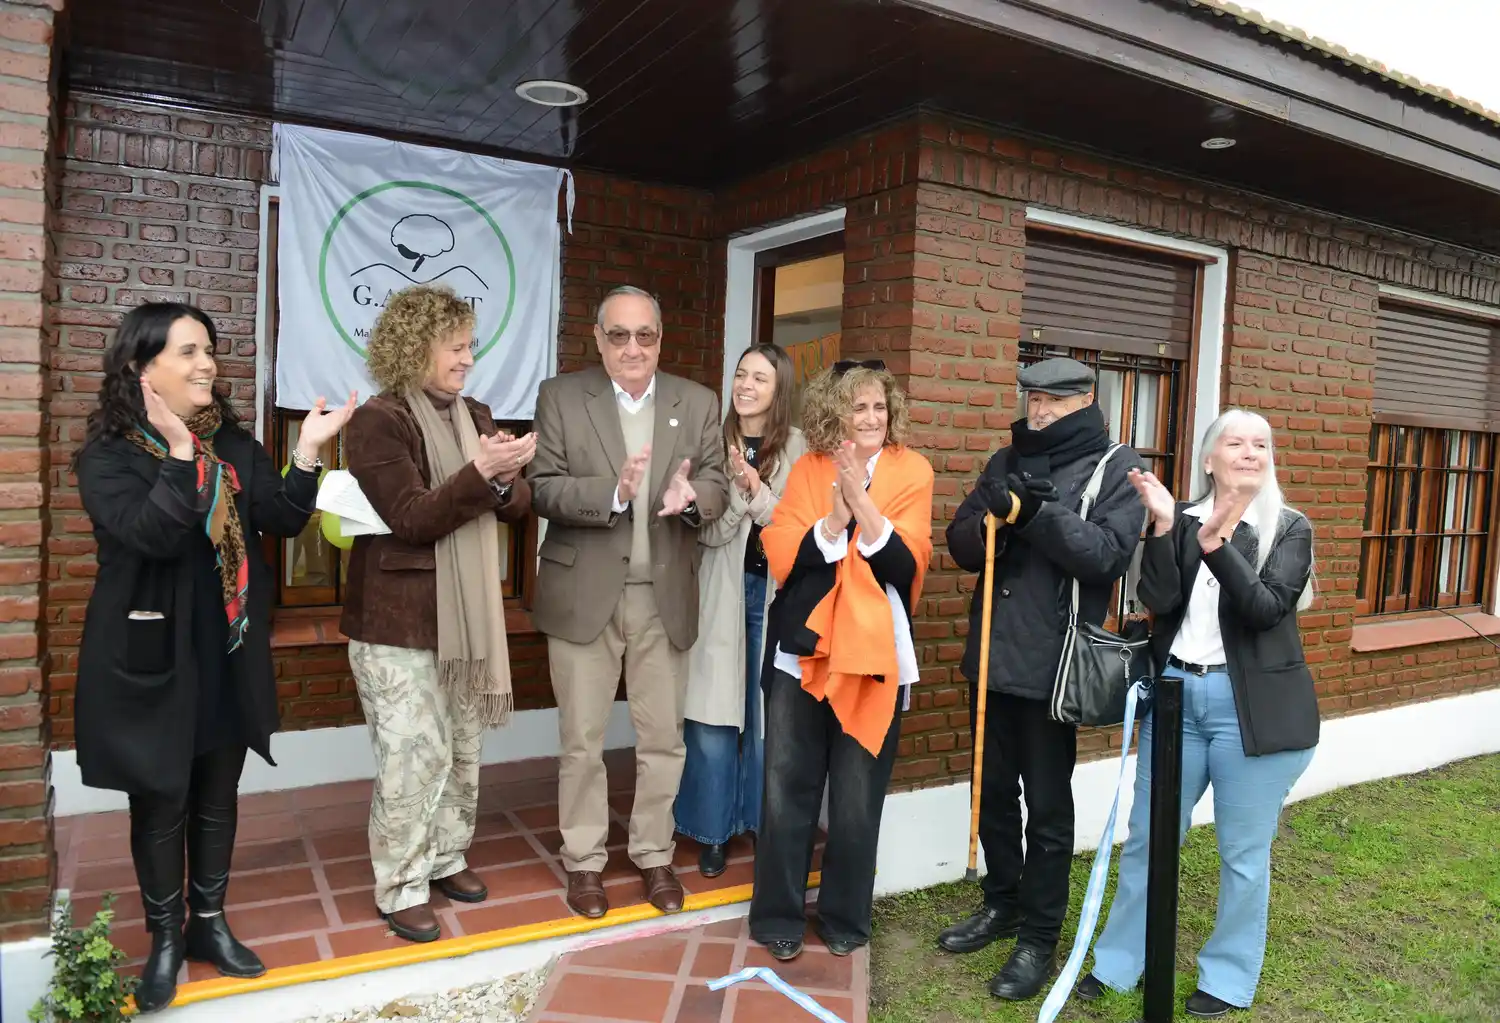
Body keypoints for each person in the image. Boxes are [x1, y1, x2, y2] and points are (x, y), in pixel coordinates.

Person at [74, 303, 354, 1012]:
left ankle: (209, 924)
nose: (208, 364)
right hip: (153, 651)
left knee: (216, 794)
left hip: (225, 648)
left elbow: (283, 518)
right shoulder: (109, 455)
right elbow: (150, 535)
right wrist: (176, 453)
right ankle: (165, 938)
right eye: (190, 351)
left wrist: (308, 453)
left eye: (211, 350)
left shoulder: (230, 441)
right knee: (162, 796)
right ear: (143, 368)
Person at [1077, 409, 1319, 1019]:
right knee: (1148, 841)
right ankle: (1119, 962)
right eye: (1234, 442)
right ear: (1209, 458)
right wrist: (1164, 527)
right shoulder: (1181, 519)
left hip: (1251, 714)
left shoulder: (1288, 528)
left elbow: (1265, 609)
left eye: (1260, 444)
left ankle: (1229, 976)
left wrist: (1216, 543)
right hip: (1177, 697)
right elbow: (1158, 600)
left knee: (1242, 852)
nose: (1248, 453)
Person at [938, 357, 1144, 1000]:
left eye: (1054, 400)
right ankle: (1001, 902)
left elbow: (1105, 557)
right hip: (993, 661)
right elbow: (962, 544)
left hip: (1055, 668)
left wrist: (1033, 517)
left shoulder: (1117, 466)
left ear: (1086, 399)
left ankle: (1038, 936)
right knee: (993, 795)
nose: (1039, 410)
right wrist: (990, 518)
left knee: (1047, 811)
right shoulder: (1006, 458)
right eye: (1032, 398)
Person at [341, 284, 535, 943]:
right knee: (412, 756)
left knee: (463, 746)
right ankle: (400, 883)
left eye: (470, 345)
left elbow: (512, 506)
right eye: (455, 346)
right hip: (396, 624)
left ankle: (447, 856)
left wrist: (505, 477)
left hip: (465, 620)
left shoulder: (475, 412)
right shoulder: (378, 421)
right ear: (416, 347)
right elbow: (413, 518)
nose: (467, 358)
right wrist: (483, 473)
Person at [529, 285, 729, 919]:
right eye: (619, 335)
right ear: (598, 339)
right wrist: (613, 494)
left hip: (661, 596)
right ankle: (585, 861)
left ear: (661, 339)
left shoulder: (696, 402)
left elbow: (719, 481)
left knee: (662, 739)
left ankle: (653, 854)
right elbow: (542, 488)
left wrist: (691, 498)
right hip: (583, 594)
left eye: (645, 335)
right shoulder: (561, 396)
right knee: (582, 740)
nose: (633, 348)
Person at [750, 360, 934, 962]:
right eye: (859, 408)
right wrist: (834, 517)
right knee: (787, 789)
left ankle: (844, 916)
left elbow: (907, 566)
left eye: (880, 407)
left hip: (874, 659)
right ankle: (778, 914)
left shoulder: (912, 471)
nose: (872, 418)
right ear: (837, 412)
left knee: (856, 798)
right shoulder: (809, 468)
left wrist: (864, 507)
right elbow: (783, 551)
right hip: (801, 657)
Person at [676, 344, 806, 877]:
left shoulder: (798, 447)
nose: (746, 385)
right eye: (740, 373)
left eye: (760, 378)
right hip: (719, 591)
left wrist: (755, 491)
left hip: (773, 596)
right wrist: (734, 496)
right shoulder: (711, 440)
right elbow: (705, 531)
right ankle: (711, 831)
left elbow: (796, 526)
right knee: (712, 715)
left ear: (779, 392)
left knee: (763, 716)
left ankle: (757, 819)